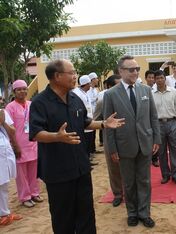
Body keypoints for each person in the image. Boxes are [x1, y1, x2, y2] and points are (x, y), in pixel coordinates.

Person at [29, 59, 125, 234]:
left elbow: (84, 122)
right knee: (63, 217)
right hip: (58, 172)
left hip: (80, 168)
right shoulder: (40, 102)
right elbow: (35, 133)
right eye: (72, 73)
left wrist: (104, 123)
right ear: (57, 76)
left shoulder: (74, 98)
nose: (76, 76)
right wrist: (57, 137)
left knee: (86, 213)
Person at [103, 55, 160, 228]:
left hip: (145, 143)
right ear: (121, 71)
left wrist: (156, 138)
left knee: (144, 181)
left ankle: (144, 213)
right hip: (124, 145)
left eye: (137, 69)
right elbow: (108, 123)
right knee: (128, 182)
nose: (135, 72)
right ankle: (132, 213)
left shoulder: (146, 90)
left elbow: (153, 117)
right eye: (131, 69)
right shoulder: (111, 94)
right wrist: (112, 148)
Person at [5, 80, 42, 208]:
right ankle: (25, 197)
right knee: (21, 174)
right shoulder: (10, 107)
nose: (23, 91)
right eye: (19, 89)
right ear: (14, 92)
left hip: (32, 143)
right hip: (19, 144)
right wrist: (15, 145)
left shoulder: (31, 104)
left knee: (33, 171)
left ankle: (34, 193)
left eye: (24, 89)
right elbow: (9, 128)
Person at [93, 74, 124, 207]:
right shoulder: (102, 101)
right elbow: (95, 120)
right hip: (110, 139)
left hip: (126, 139)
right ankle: (117, 194)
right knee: (114, 169)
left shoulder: (126, 98)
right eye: (118, 85)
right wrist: (106, 123)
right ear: (109, 87)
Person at [153, 70, 176, 185]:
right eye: (157, 78)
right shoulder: (152, 94)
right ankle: (165, 175)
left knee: (175, 150)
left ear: (165, 79)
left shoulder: (174, 92)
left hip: (172, 123)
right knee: (161, 152)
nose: (160, 80)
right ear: (155, 80)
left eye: (162, 78)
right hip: (158, 124)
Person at [0, 109, 22, 226]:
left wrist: (3, 122)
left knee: (3, 184)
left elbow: (12, 131)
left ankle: (5, 213)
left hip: (5, 151)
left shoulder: (2, 112)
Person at [72, 75, 97, 167]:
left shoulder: (86, 92)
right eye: (89, 83)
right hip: (82, 123)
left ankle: (87, 161)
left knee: (88, 143)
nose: (90, 85)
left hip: (89, 121)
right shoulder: (77, 93)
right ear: (86, 84)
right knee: (84, 144)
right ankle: (85, 163)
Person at [144, 69, 159, 167]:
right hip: (145, 118)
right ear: (146, 78)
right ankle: (147, 158)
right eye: (149, 77)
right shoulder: (142, 89)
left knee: (155, 138)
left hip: (155, 117)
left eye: (153, 77)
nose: (151, 79)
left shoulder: (156, 90)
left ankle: (155, 158)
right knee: (146, 138)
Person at [88, 72, 100, 154]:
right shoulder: (88, 89)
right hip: (90, 113)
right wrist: (96, 98)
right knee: (90, 132)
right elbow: (90, 100)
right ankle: (91, 150)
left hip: (95, 113)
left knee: (94, 131)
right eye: (96, 78)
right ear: (92, 80)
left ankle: (93, 149)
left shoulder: (95, 90)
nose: (97, 80)